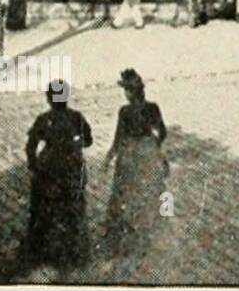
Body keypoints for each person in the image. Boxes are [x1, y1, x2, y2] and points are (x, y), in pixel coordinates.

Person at [25, 80, 94, 268]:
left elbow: (30, 146)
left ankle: (42, 252)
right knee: (73, 209)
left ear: (49, 99)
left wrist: (34, 167)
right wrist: (73, 144)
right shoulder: (76, 117)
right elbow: (88, 141)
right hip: (72, 167)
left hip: (48, 168)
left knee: (44, 209)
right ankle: (73, 252)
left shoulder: (43, 119)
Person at [101, 69, 168, 255]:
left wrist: (108, 158)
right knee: (154, 191)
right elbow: (162, 132)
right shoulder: (153, 108)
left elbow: (118, 139)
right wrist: (154, 146)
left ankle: (119, 234)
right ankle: (156, 227)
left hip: (129, 158)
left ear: (130, 92)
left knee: (121, 194)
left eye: (126, 90)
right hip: (147, 155)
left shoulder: (124, 111)